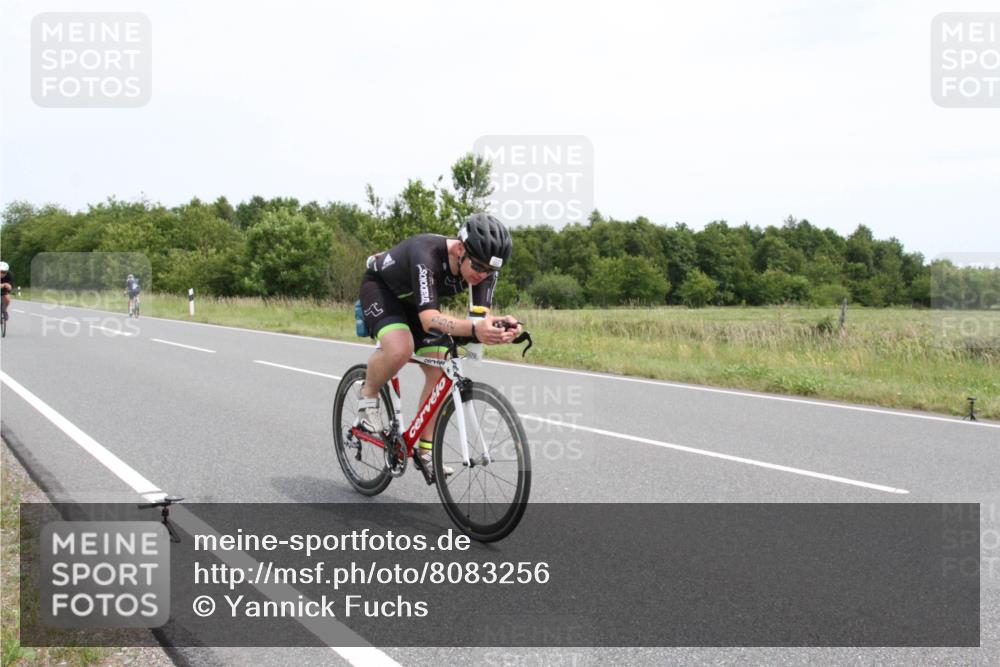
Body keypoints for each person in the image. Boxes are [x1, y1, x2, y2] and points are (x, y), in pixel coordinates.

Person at [357, 213, 521, 475]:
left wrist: (497, 326)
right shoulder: (427, 254)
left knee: (440, 367)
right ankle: (368, 397)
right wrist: (475, 329)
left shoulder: (483, 269)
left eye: (491, 271)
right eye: (478, 268)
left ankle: (424, 450)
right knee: (400, 348)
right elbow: (428, 319)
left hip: (417, 304)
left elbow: (478, 318)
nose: (483, 276)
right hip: (383, 291)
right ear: (459, 249)